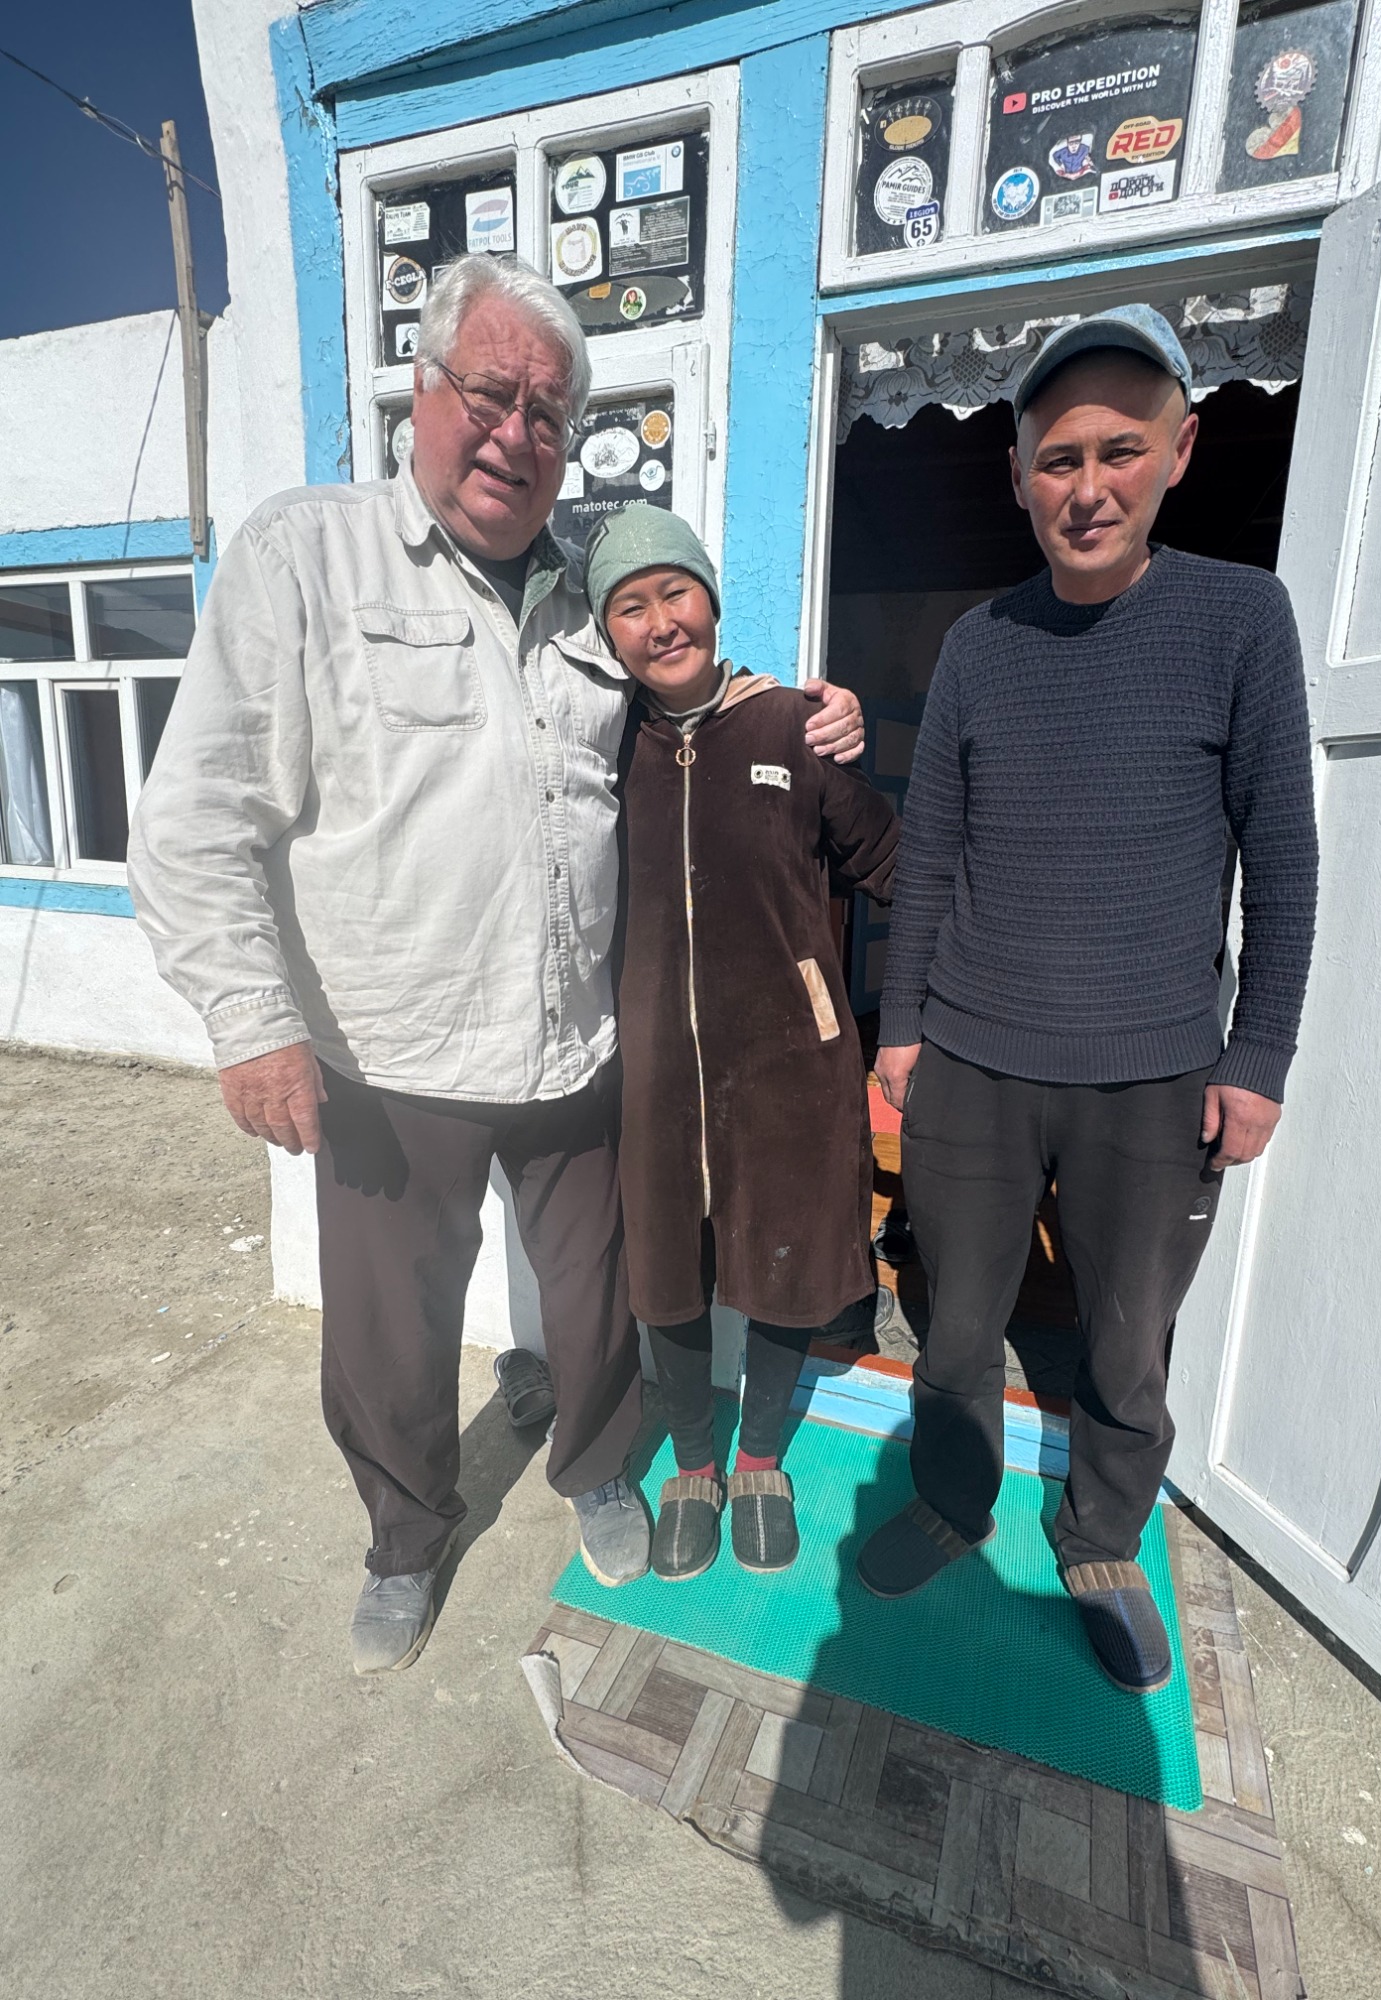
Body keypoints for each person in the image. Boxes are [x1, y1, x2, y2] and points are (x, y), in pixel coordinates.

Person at [127, 255, 863, 1674]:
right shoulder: (307, 556)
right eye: (491, 394)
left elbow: (690, 704)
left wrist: (809, 713)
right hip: (384, 1050)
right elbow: (199, 813)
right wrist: (249, 1019)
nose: (517, 434)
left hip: (577, 1045)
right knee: (389, 1333)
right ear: (423, 388)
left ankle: (596, 1465)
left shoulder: (591, 593)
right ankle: (406, 1538)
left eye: (549, 412)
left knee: (600, 1294)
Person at [857, 305, 1318, 1694]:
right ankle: (952, 1500)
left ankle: (1103, 1538)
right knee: (955, 1326)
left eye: (1122, 450)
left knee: (1127, 1340)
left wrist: (1260, 1053)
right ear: (1018, 477)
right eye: (1059, 458)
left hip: (1155, 1070)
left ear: (1182, 451)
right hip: (974, 1058)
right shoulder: (980, 644)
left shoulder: (1241, 618)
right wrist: (900, 1028)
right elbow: (932, 850)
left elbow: (1281, 852)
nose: (1090, 486)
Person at [585, 509, 899, 1580]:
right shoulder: (603, 745)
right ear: (610, 633)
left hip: (788, 1067)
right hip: (653, 1073)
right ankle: (693, 1464)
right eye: (631, 607)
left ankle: (758, 1458)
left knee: (782, 1262)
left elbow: (894, 863)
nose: (660, 622)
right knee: (666, 1272)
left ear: (711, 602)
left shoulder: (790, 729)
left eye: (675, 593)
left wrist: (909, 1018)